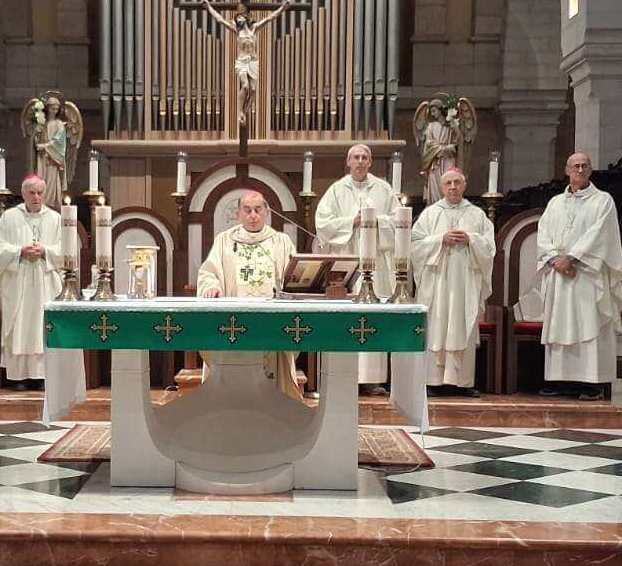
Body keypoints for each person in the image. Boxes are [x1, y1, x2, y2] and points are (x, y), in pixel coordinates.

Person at [534, 151, 622, 400]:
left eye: (584, 166)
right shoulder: (555, 203)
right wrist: (555, 259)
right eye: (576, 166)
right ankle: (561, 380)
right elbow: (543, 233)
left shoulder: (603, 201)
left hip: (587, 274)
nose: (580, 170)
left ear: (591, 170)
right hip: (559, 274)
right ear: (567, 170)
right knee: (560, 323)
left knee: (588, 323)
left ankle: (591, 383)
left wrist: (572, 258)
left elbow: (599, 235)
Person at [315, 142, 400, 394]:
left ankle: (372, 380)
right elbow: (323, 223)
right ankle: (343, 376)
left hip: (376, 263)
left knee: (373, 316)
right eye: (356, 157)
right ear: (348, 162)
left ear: (370, 162)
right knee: (347, 315)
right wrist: (352, 222)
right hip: (348, 261)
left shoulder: (384, 189)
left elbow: (399, 222)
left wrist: (374, 220)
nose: (360, 161)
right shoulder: (336, 189)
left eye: (365, 157)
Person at [198, 190, 300, 400]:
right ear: (238, 214)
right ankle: (232, 405)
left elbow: (295, 277)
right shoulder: (224, 240)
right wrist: (211, 286)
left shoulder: (281, 241)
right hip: (234, 322)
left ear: (267, 212)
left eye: (257, 209)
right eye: (247, 210)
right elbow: (208, 272)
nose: (252, 215)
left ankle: (272, 408)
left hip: (271, 322)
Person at [412, 168, 496, 395]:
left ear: (464, 185)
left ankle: (463, 383)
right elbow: (415, 245)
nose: (452, 187)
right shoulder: (430, 214)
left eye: (457, 182)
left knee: (463, 323)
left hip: (465, 283)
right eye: (448, 183)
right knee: (437, 325)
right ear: (441, 187)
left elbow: (489, 248)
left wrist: (471, 239)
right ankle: (433, 381)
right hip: (437, 282)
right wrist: (440, 239)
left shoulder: (477, 215)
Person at [0, 174, 62, 390]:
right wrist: (19, 251)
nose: (36, 197)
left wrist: (45, 251)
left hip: (45, 280)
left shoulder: (55, 219)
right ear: (23, 194)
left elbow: (67, 250)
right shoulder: (10, 217)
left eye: (40, 192)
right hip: (17, 280)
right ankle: (18, 377)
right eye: (32, 193)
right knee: (19, 326)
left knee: (41, 326)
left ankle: (41, 376)